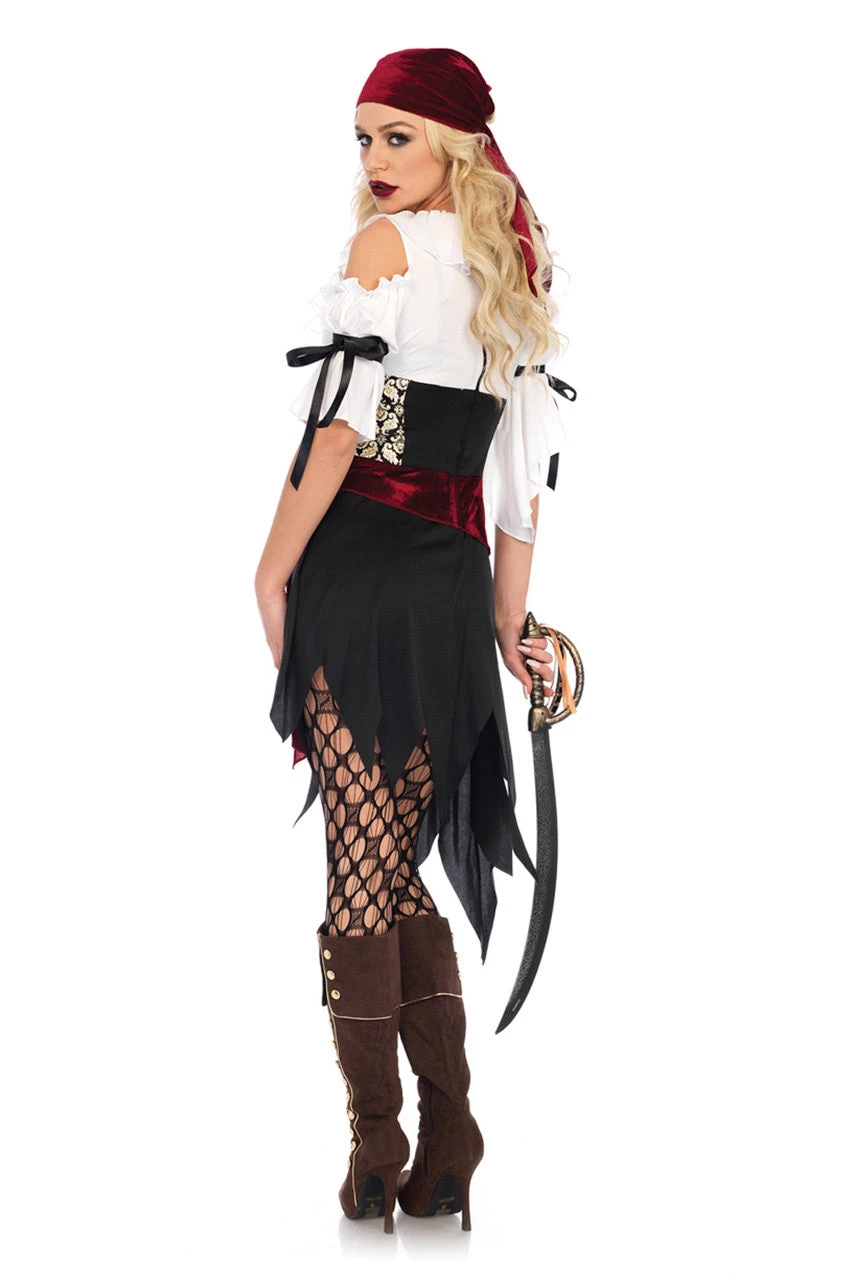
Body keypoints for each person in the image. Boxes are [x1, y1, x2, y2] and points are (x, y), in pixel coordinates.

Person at [254, 47, 572, 1234]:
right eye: (363, 138)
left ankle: (376, 1147)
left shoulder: (383, 251)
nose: (376, 159)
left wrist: (269, 570)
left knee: (360, 869)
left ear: (453, 142)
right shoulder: (513, 272)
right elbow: (519, 486)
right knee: (385, 866)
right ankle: (445, 1140)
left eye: (397, 134)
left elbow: (338, 437)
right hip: (445, 593)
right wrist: (507, 621)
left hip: (360, 575)